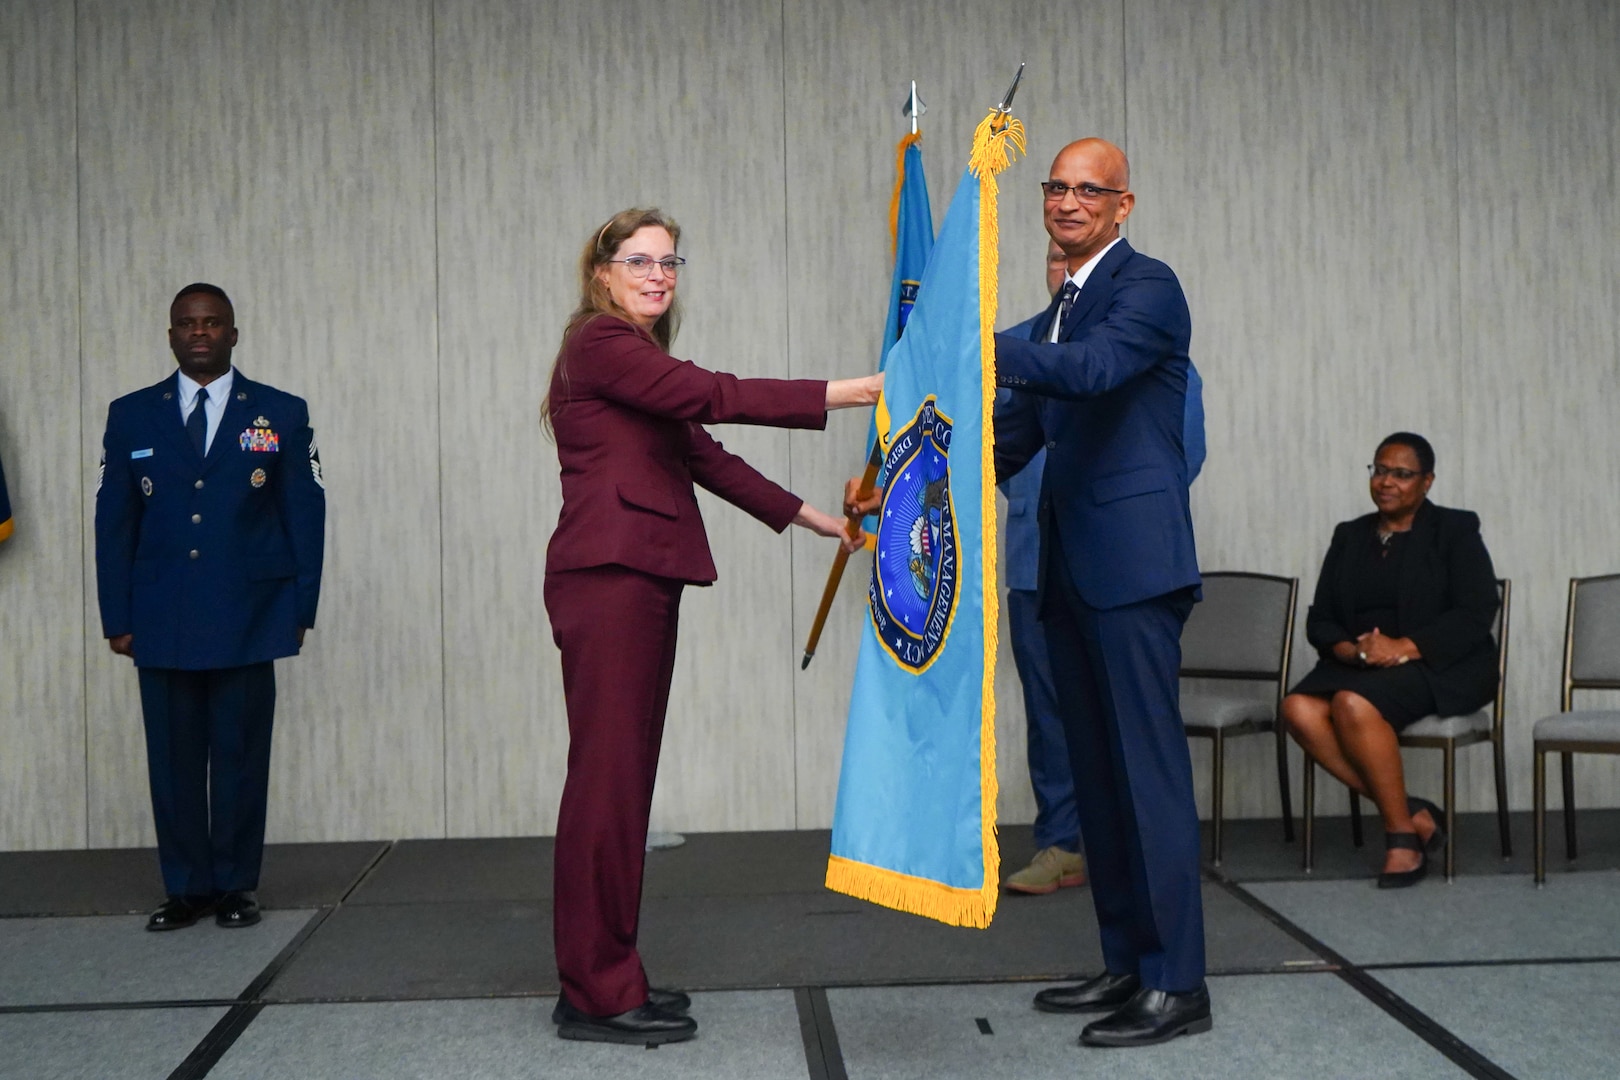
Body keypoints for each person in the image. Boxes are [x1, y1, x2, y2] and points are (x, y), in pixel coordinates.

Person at [543, 208, 880, 1046]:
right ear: (602, 274)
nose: (658, 274)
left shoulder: (636, 362)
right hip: (610, 581)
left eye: (669, 261)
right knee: (607, 787)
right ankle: (593, 990)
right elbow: (713, 397)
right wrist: (851, 391)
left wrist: (821, 523)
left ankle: (611, 975)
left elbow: (705, 457)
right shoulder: (600, 344)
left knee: (623, 787)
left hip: (640, 580)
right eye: (639, 261)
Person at [94, 283, 326, 932]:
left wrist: (299, 607)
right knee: (171, 758)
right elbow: (113, 523)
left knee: (240, 755)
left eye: (213, 322)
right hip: (161, 616)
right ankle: (186, 888)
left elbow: (304, 513)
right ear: (170, 336)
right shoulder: (132, 415)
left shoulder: (278, 412)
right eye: (187, 324)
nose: (200, 332)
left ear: (233, 333)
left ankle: (234, 887)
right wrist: (118, 616)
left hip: (249, 614)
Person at [1281, 433, 1498, 888]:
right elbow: (1320, 618)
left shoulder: (1455, 529)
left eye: (1402, 474)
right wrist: (1350, 649)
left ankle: (1400, 836)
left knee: (1351, 704)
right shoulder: (1350, 534)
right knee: (1296, 708)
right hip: (1358, 663)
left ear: (1426, 482)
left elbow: (1477, 611)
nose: (1387, 482)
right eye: (1380, 470)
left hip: (1439, 663)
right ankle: (1411, 811)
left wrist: (1402, 647)